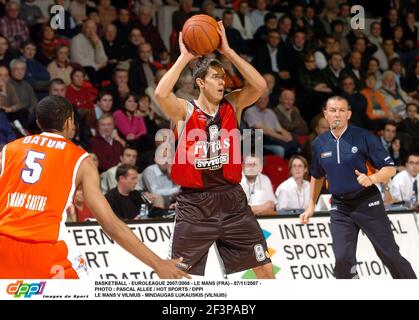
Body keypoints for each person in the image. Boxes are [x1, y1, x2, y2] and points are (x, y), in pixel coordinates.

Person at [0, 95, 189, 279]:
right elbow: (109, 223)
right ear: (69, 123)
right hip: (43, 251)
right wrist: (158, 263)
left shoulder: (9, 150)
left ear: (39, 123)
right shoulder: (80, 159)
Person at [155, 21, 274, 278]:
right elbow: (161, 93)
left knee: (264, 269)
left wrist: (229, 52)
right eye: (215, 77)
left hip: (232, 200)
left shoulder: (232, 105)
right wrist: (184, 57)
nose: (222, 82)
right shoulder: (184, 112)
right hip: (195, 205)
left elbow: (260, 86)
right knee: (179, 277)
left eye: (223, 77)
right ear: (200, 82)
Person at [300, 96, 416, 279]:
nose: (336, 114)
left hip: (367, 202)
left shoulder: (364, 137)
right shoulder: (319, 143)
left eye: (341, 110)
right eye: (332, 110)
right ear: (325, 114)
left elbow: (390, 168)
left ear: (349, 114)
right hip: (340, 207)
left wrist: (373, 179)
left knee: (389, 254)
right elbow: (317, 175)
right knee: (342, 259)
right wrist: (310, 205)